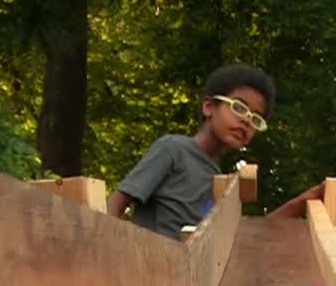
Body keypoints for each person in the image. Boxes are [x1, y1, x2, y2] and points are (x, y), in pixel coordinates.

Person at [106, 65, 276, 240]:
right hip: (148, 262)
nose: (246, 120)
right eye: (239, 107)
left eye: (256, 118)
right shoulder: (173, 149)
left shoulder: (219, 182)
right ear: (209, 107)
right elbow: (117, 202)